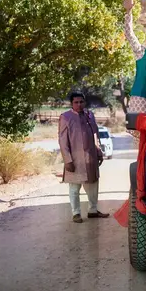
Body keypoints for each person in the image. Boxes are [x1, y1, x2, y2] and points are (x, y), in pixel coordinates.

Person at [58, 92, 108, 223]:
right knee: (74, 187)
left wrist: (99, 152)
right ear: (71, 104)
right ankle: (76, 213)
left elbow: (95, 134)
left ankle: (93, 211)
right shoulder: (66, 117)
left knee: (93, 185)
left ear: (85, 102)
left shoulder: (89, 115)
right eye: (76, 102)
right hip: (75, 159)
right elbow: (62, 141)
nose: (79, 105)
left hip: (90, 158)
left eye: (81, 102)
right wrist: (67, 160)